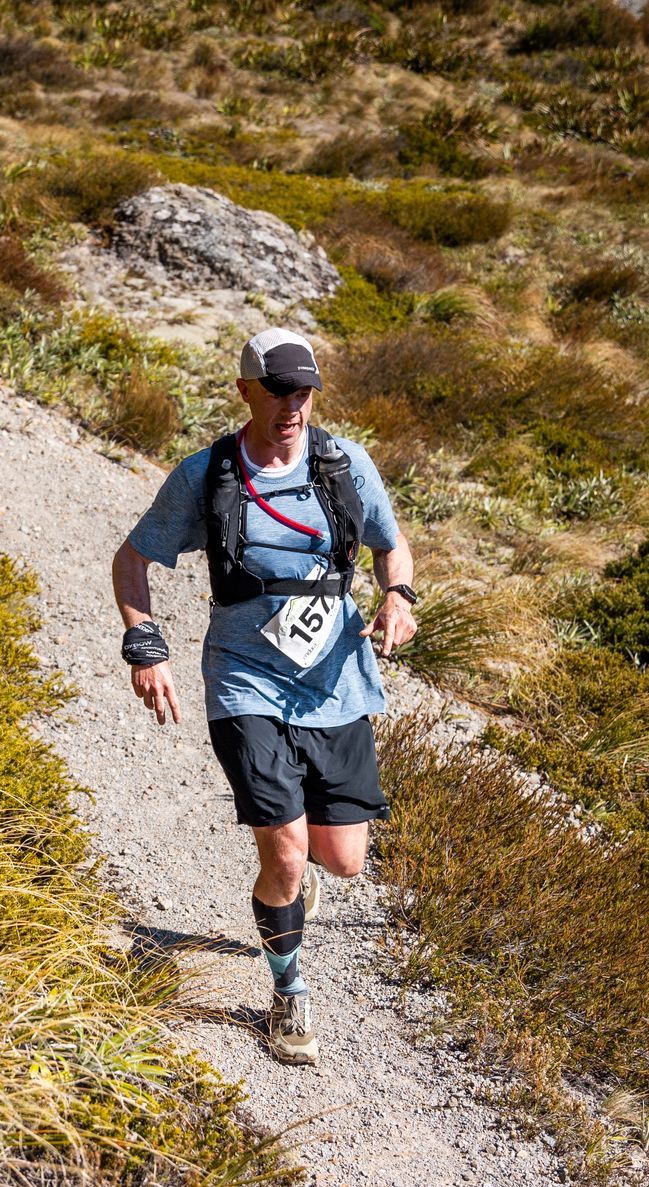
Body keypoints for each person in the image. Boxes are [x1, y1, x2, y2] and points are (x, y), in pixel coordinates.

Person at [110, 327, 416, 1066]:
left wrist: (398, 595)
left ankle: (293, 887)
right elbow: (132, 559)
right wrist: (144, 642)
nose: (292, 406)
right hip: (245, 677)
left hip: (335, 679)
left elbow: (389, 543)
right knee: (283, 853)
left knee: (340, 861)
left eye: (303, 391)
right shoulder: (205, 475)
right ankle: (288, 994)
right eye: (277, 391)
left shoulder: (344, 464)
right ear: (245, 390)